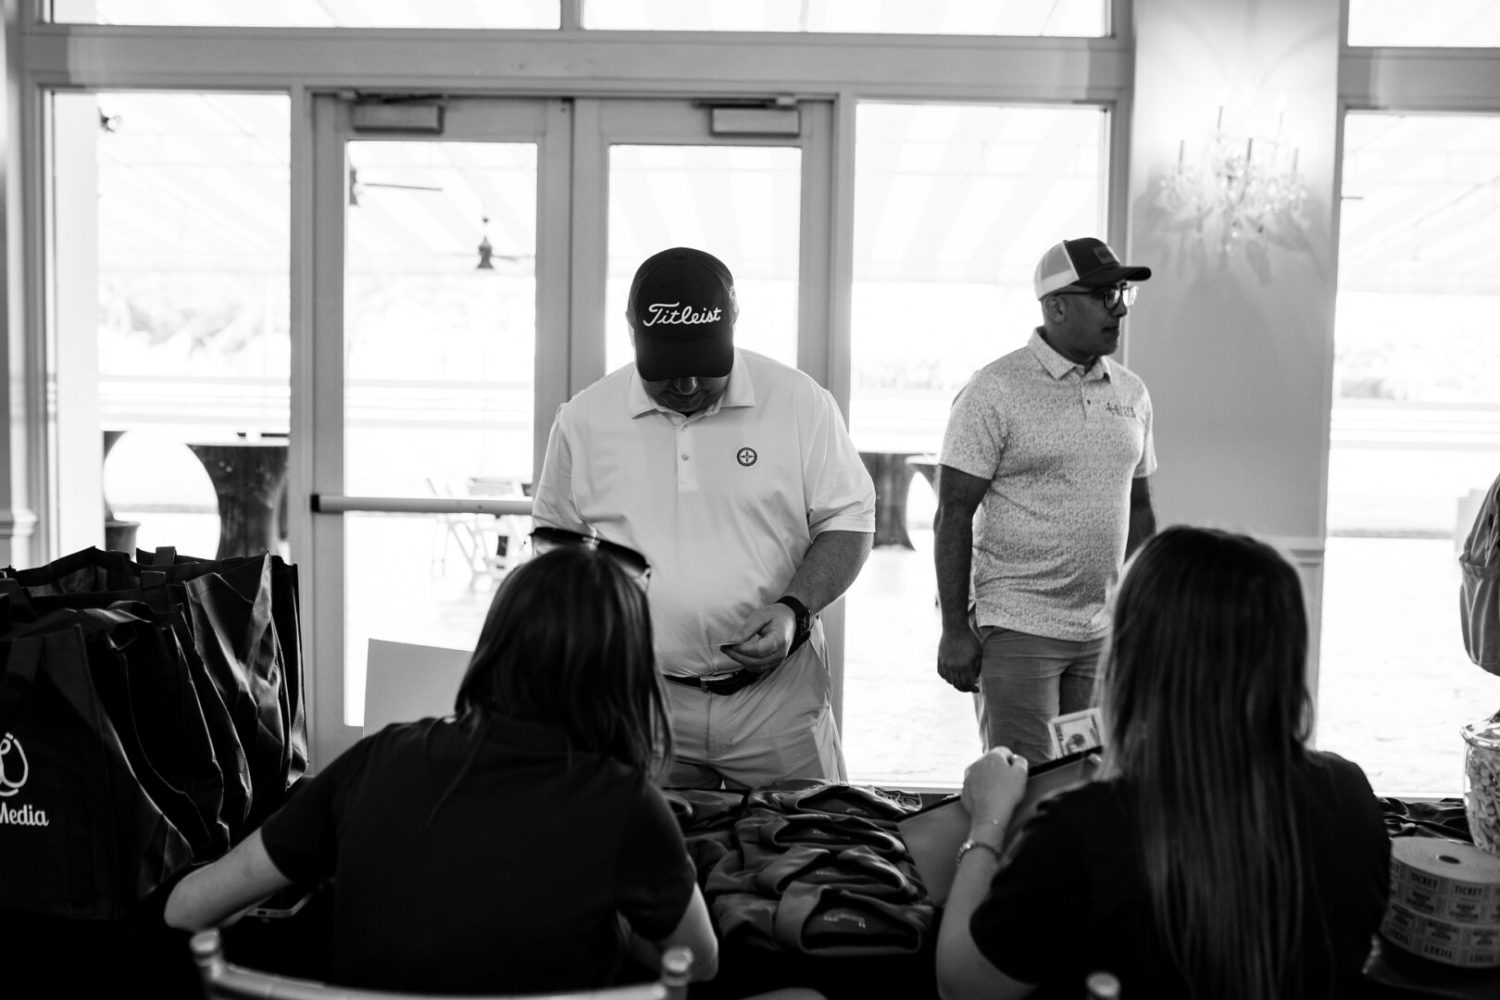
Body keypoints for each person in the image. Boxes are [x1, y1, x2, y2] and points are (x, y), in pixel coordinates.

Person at [165, 541, 720, 995]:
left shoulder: (377, 759)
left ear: (496, 644)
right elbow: (697, 962)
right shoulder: (626, 805)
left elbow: (186, 909)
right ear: (626, 675)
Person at [935, 526, 1392, 1000]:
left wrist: (987, 821)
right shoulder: (1350, 791)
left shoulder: (1080, 830)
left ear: (1135, 656)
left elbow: (961, 984)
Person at [530, 246, 876, 790]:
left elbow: (850, 520)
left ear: (733, 324)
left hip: (779, 699)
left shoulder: (798, 401)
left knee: (812, 848)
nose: (687, 386)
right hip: (641, 698)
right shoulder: (584, 419)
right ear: (630, 332)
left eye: (703, 367)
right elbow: (556, 541)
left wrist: (793, 611)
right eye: (667, 370)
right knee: (648, 864)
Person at [934, 236, 1158, 763]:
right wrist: (953, 630)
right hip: (1017, 629)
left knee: (1089, 776)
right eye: (1104, 295)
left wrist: (1146, 617)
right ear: (1055, 305)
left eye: (1122, 294)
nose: (1118, 309)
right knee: (1024, 784)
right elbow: (953, 514)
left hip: (1102, 633)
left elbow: (1142, 509)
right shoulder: (994, 388)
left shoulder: (1133, 392)